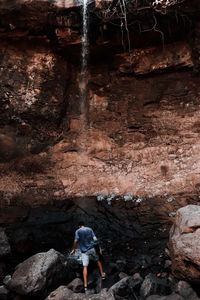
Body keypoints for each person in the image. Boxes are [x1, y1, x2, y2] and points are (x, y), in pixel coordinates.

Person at [70, 221, 105, 292]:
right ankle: (102, 274)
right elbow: (95, 239)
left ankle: (85, 285)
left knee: (85, 267)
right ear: (84, 225)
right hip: (92, 249)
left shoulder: (78, 231)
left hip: (84, 252)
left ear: (79, 226)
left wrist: (73, 249)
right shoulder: (89, 229)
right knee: (98, 261)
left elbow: (75, 241)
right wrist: (100, 248)